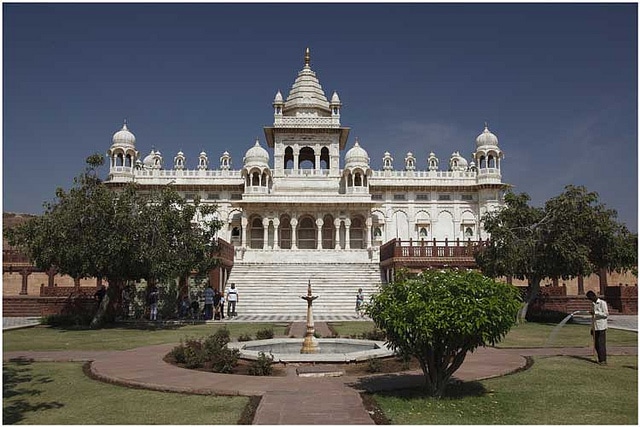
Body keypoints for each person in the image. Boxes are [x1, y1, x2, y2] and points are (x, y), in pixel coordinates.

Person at [586, 290, 609, 365]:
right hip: (595, 327)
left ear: (593, 296)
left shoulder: (602, 303)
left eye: (590, 298)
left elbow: (606, 314)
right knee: (596, 344)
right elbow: (593, 317)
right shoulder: (593, 304)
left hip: (601, 327)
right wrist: (592, 328)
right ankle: (600, 359)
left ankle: (603, 360)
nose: (590, 300)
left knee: (601, 343)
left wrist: (596, 313)